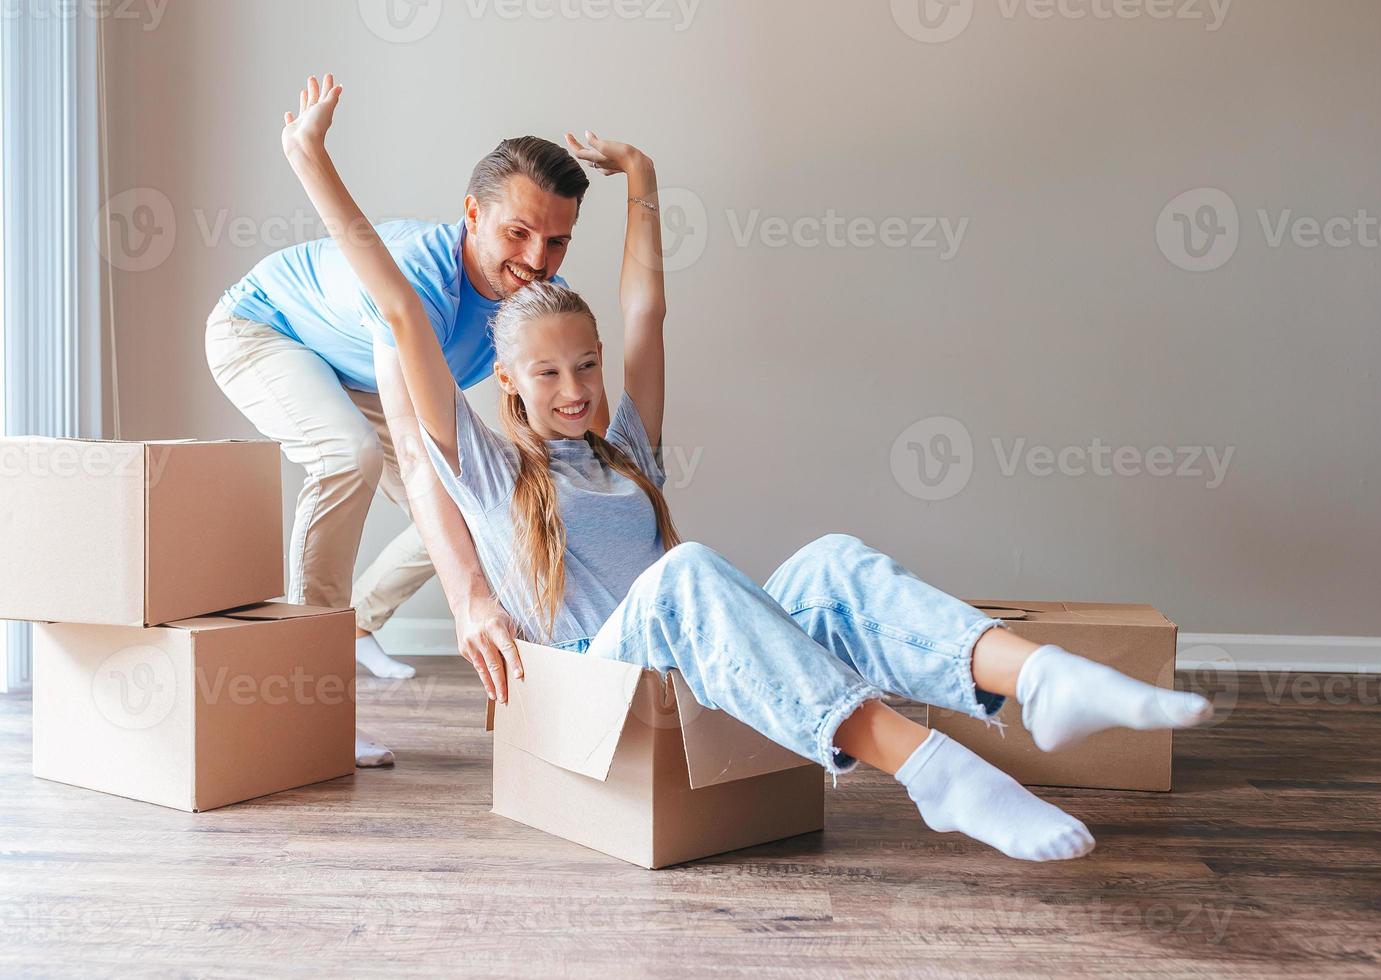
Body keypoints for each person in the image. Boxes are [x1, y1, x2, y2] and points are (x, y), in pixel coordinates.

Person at [282, 74, 1215, 860]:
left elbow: (646, 312)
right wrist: (312, 163)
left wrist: (644, 178)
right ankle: (936, 774)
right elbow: (402, 311)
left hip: (692, 665)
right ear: (511, 390)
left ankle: (1040, 680)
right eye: (548, 374)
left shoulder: (626, 452)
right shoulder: (485, 470)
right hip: (597, 680)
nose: (574, 388)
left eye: (586, 366)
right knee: (686, 573)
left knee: (831, 562)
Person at [206, 94, 599, 767]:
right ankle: (313, 700)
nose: (538, 258)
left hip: (352, 371)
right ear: (472, 214)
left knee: (488, 499)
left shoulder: (521, 302)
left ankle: (357, 622)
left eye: (557, 240)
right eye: (518, 233)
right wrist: (468, 598)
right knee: (347, 456)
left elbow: (499, 436)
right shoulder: (424, 279)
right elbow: (416, 452)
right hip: (263, 329)